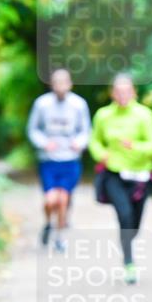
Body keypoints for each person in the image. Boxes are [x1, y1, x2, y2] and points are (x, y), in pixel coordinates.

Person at [89, 73, 152, 285]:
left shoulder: (144, 115)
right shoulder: (103, 115)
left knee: (134, 225)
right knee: (124, 214)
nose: (122, 95)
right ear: (112, 93)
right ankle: (129, 262)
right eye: (118, 91)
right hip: (114, 174)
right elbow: (94, 141)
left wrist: (134, 147)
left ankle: (127, 242)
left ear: (134, 92)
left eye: (127, 91)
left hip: (140, 177)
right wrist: (101, 154)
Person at [26, 68, 91, 252]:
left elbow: (86, 130)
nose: (61, 86)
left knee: (63, 199)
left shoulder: (79, 104)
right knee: (50, 200)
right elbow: (33, 129)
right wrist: (44, 143)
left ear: (70, 84)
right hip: (49, 160)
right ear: (51, 85)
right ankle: (48, 223)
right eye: (57, 83)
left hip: (70, 159)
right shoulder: (42, 104)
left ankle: (60, 237)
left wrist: (79, 143)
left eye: (64, 82)